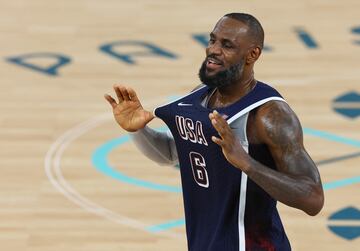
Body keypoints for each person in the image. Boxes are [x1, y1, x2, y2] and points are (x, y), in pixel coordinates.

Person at [104, 13, 324, 251]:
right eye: (212, 41)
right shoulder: (200, 95)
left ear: (253, 54)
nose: (213, 50)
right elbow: (171, 153)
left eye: (227, 45)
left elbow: (313, 198)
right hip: (205, 242)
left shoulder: (270, 115)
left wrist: (247, 163)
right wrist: (138, 131)